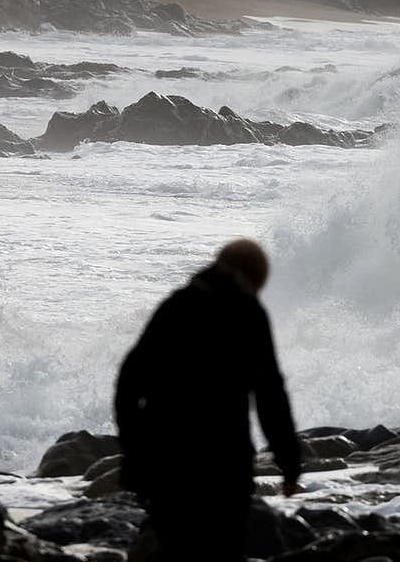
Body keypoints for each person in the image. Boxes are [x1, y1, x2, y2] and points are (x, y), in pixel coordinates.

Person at [115, 239, 301, 562]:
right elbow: (270, 395)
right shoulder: (248, 314)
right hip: (224, 468)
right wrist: (289, 463)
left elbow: (128, 384)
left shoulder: (176, 306)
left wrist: (135, 450)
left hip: (168, 465)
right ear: (250, 278)